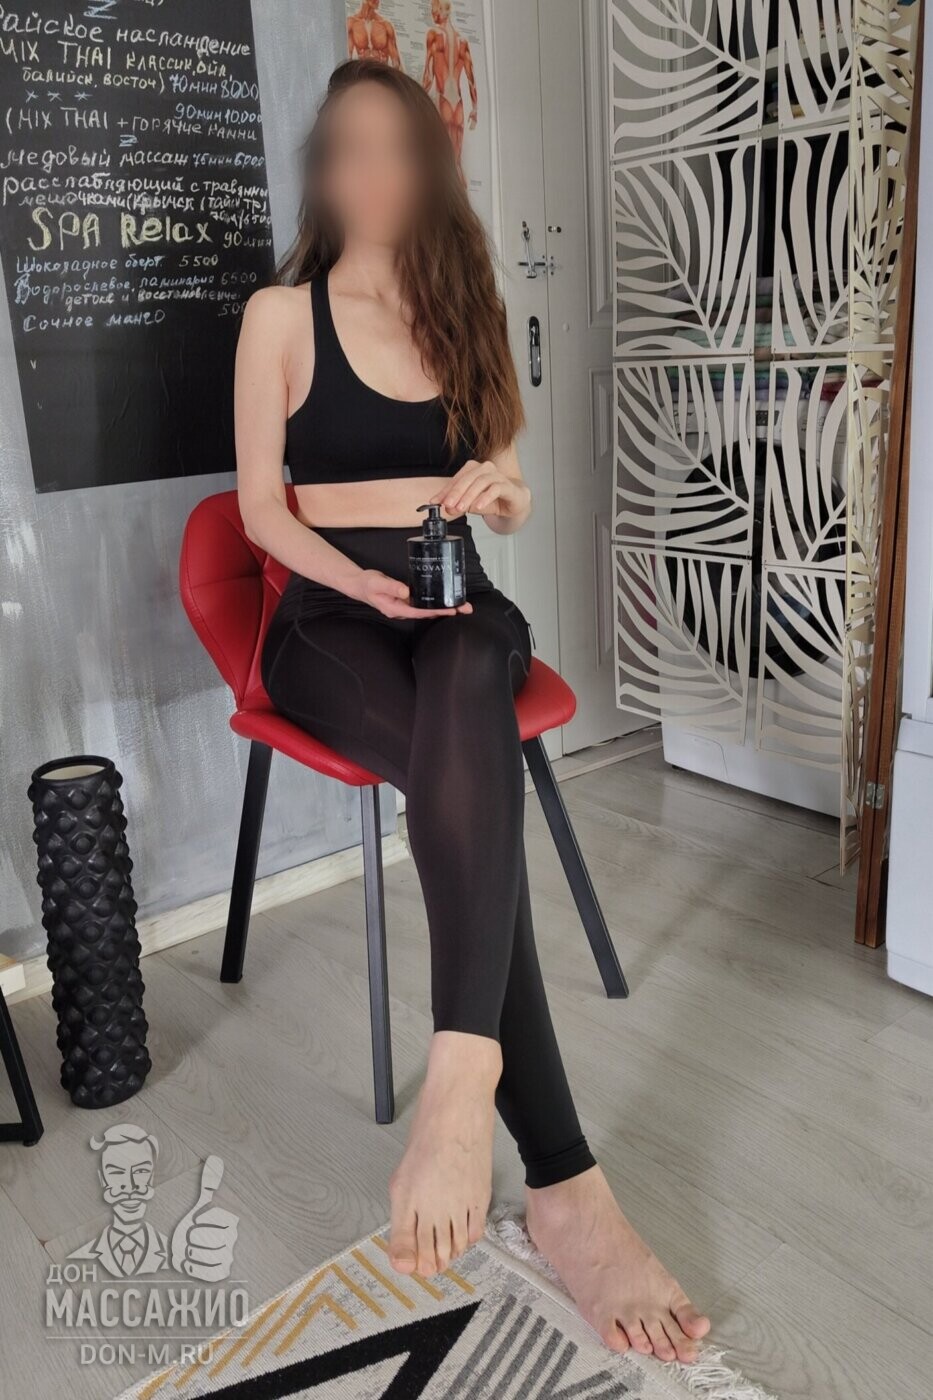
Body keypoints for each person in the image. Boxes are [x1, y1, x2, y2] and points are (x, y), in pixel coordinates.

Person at [234, 59, 710, 1365]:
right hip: (331, 624)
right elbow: (263, 508)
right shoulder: (281, 315)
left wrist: (499, 497)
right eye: (348, 148)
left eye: (397, 148)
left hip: (461, 612)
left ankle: (465, 1078)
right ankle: (562, 1178)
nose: (372, 172)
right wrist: (367, 563)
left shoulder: (465, 306)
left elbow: (507, 481)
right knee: (474, 793)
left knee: (464, 697)